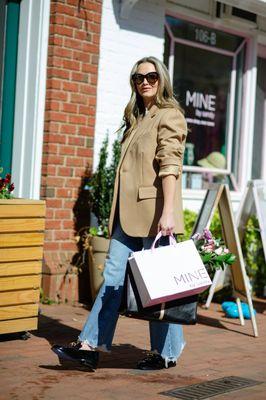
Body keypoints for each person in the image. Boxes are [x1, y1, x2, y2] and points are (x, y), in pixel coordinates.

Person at [52, 56, 188, 371]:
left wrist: (168, 213)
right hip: (125, 218)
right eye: (138, 77)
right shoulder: (136, 118)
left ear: (161, 79)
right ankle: (89, 346)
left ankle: (166, 353)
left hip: (155, 216)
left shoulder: (169, 116)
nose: (145, 82)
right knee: (113, 279)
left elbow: (170, 165)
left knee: (160, 286)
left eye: (151, 76)